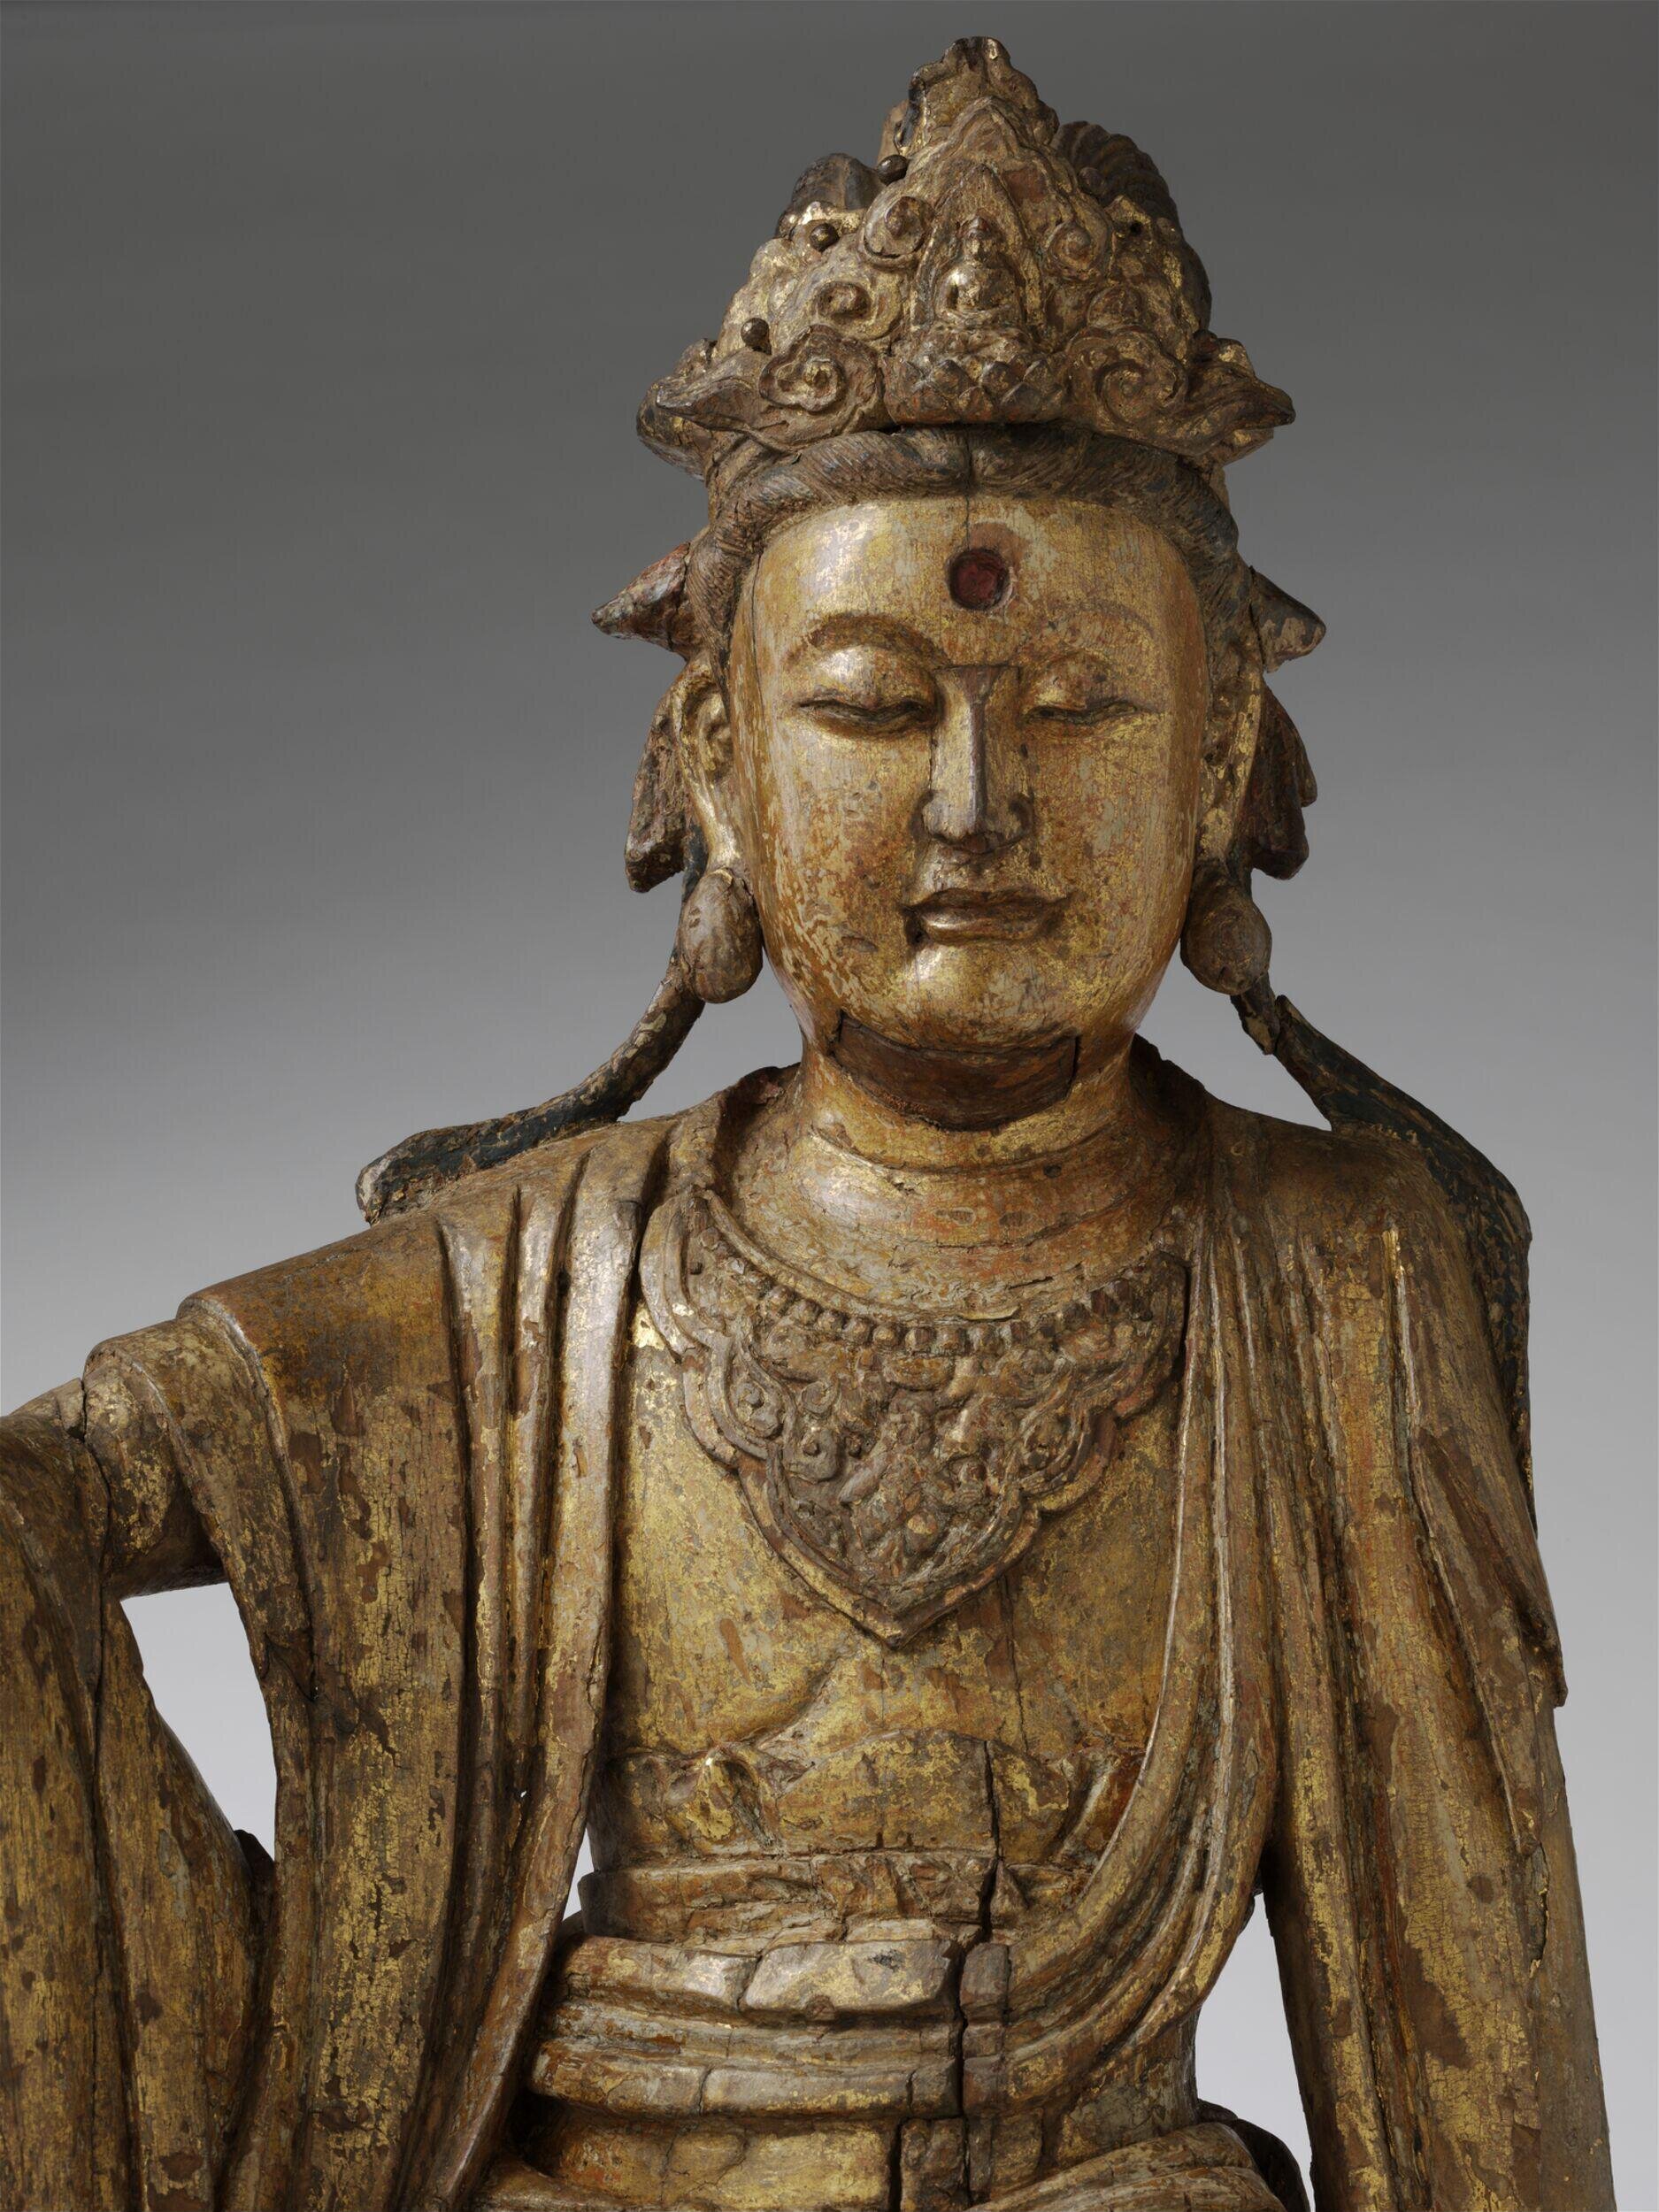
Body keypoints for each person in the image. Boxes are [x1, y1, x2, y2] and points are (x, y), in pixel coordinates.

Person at [0, 38, 1612, 2212]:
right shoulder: (519, 1288)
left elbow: (1470, 2054)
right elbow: (54, 1489)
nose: (973, 804)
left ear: (1222, 751)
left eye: (1078, 705)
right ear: (720, 761)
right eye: (867, 704)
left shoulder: (1331, 1273)